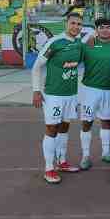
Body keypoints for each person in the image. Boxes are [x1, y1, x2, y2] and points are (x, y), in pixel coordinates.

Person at [31, 12, 85, 184]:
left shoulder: (78, 43)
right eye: (73, 23)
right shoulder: (55, 42)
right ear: (66, 23)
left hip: (71, 95)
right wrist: (36, 91)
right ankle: (49, 168)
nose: (76, 27)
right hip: (53, 95)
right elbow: (37, 67)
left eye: (79, 24)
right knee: (52, 129)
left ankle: (62, 161)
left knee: (64, 127)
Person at [78, 18, 110, 170]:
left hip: (107, 89)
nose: (106, 30)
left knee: (106, 121)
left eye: (108, 27)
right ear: (96, 29)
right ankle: (86, 156)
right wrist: (87, 38)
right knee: (86, 122)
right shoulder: (88, 45)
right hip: (89, 90)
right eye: (102, 27)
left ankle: (106, 153)